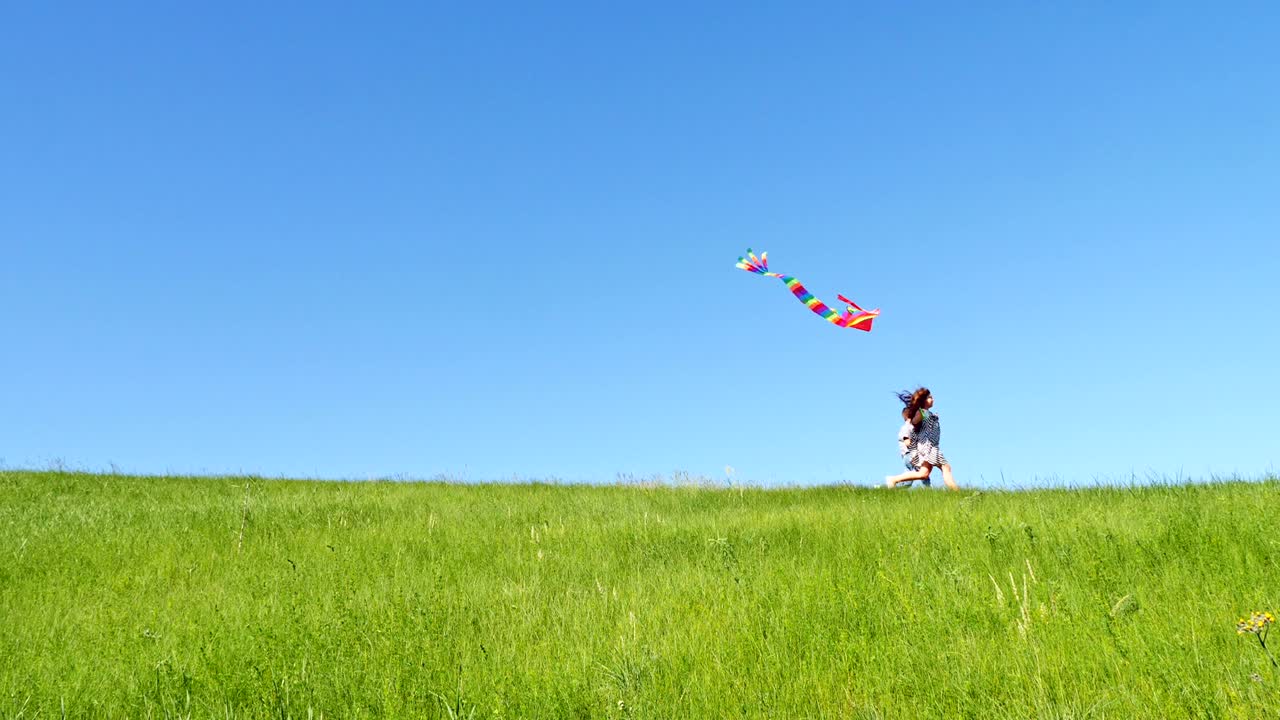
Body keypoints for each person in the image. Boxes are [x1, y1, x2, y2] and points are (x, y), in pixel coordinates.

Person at [885, 387, 958, 490]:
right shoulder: (922, 412)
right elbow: (912, 423)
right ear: (923, 400)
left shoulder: (927, 413)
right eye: (929, 397)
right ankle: (956, 491)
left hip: (932, 447)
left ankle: (894, 480)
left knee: (928, 472)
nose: (932, 399)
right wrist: (907, 436)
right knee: (941, 469)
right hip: (928, 448)